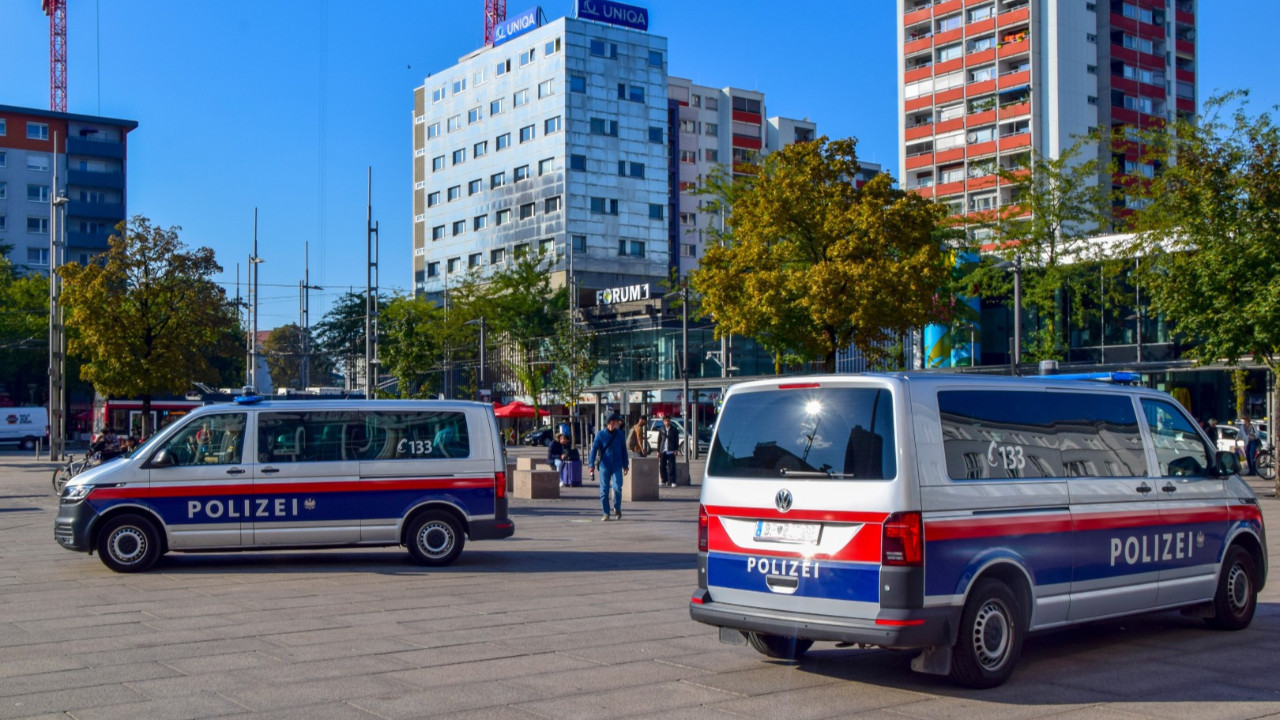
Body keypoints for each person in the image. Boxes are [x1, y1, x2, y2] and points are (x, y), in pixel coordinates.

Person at [589, 413, 629, 521]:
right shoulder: (600, 435)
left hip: (617, 465)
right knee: (604, 491)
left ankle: (617, 507)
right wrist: (591, 465)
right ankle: (606, 512)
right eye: (617, 421)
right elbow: (593, 451)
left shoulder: (620, 434)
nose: (619, 423)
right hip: (604, 466)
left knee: (617, 488)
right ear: (611, 422)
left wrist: (626, 465)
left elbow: (624, 450)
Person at [657, 415, 680, 487]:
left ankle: (672, 481)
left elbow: (676, 440)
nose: (666, 422)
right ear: (663, 422)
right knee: (662, 466)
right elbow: (659, 440)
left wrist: (676, 450)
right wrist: (658, 451)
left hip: (671, 450)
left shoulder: (674, 429)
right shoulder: (661, 429)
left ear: (670, 421)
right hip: (663, 450)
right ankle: (664, 480)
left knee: (672, 466)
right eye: (665, 421)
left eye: (668, 421)